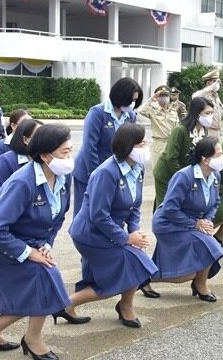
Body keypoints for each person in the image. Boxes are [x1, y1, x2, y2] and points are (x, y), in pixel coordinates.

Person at [0, 124, 73, 360]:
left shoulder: (64, 177)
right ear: (45, 155)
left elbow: (57, 218)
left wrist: (46, 245)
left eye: (70, 151)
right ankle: (32, 339)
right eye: (65, 153)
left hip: (22, 234)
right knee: (42, 277)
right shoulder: (23, 182)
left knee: (39, 279)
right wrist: (28, 253)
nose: (70, 158)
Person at [64, 122, 157, 326]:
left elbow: (135, 205)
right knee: (126, 270)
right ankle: (65, 304)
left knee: (136, 260)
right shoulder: (106, 172)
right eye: (141, 144)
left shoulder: (137, 168)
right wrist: (125, 237)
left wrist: (135, 231)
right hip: (90, 233)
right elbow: (98, 215)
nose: (145, 148)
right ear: (128, 146)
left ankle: (125, 306)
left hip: (110, 231)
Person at [151, 137, 223, 300]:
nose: (222, 159)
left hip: (192, 222)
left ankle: (200, 284)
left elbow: (215, 202)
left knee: (207, 245)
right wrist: (195, 224)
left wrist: (207, 220)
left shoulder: (215, 176)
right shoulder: (184, 176)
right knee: (196, 262)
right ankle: (144, 277)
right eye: (219, 155)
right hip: (169, 224)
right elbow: (170, 208)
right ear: (205, 159)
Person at [73, 77, 141, 215]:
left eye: (135, 101)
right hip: (90, 169)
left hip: (114, 172)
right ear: (120, 96)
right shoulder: (98, 113)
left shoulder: (130, 116)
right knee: (85, 212)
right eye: (130, 100)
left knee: (105, 211)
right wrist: (96, 174)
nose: (132, 104)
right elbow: (89, 147)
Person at [152, 97, 213, 211]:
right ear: (197, 113)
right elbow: (171, 157)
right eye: (207, 113)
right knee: (166, 206)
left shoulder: (204, 131)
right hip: (167, 173)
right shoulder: (180, 130)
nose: (210, 116)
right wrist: (182, 178)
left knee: (180, 205)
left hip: (183, 173)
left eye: (211, 113)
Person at [0, 118, 43, 211]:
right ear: (25, 139)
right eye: (38, 137)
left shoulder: (45, 161)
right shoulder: (7, 161)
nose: (44, 142)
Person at [136, 85, 178, 169]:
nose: (163, 98)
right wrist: (151, 99)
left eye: (165, 96)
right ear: (157, 97)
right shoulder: (152, 110)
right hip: (159, 144)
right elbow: (140, 111)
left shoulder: (174, 111)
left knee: (173, 171)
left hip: (172, 143)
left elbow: (177, 127)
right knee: (158, 171)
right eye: (160, 96)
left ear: (169, 97)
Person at [193, 68, 223, 136]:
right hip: (208, 131)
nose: (217, 83)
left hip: (218, 132)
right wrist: (210, 87)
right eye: (214, 81)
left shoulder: (216, 97)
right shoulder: (204, 95)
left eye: (218, 81)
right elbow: (194, 96)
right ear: (208, 82)